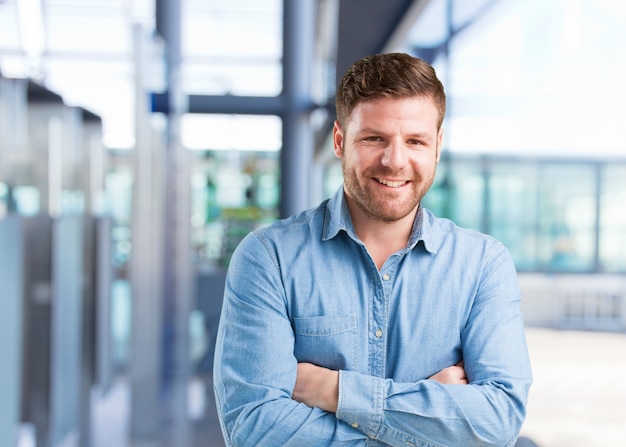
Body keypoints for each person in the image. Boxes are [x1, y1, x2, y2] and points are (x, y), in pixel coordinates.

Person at [213, 52, 532, 446]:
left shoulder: (483, 265)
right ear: (339, 140)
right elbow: (255, 430)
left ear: (438, 145)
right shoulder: (269, 258)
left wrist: (332, 391)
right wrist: (427, 420)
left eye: (415, 141)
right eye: (374, 138)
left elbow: (497, 422)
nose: (394, 160)